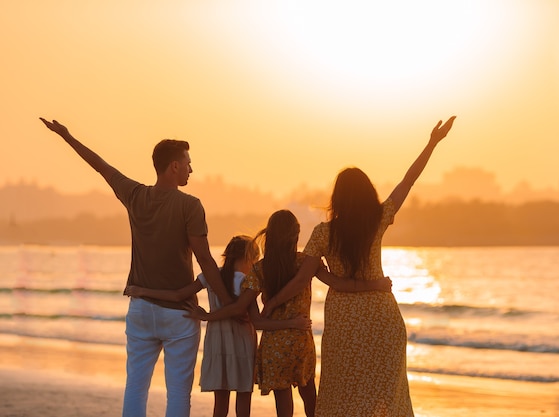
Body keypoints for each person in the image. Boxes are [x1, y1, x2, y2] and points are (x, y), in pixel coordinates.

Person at [263, 116, 456, 417]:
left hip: (344, 324)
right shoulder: (377, 221)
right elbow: (408, 181)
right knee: (384, 400)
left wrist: (272, 302)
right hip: (383, 319)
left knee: (343, 397)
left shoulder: (324, 233)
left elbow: (302, 279)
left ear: (337, 197)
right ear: (368, 193)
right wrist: (432, 143)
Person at [39, 118, 233, 417]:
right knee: (179, 393)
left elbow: (101, 166)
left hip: (141, 309)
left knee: (135, 387)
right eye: (188, 163)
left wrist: (67, 136)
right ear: (174, 167)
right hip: (179, 314)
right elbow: (205, 261)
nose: (191, 169)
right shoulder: (190, 205)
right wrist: (229, 305)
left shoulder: (135, 195)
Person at [185, 210, 391, 417]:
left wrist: (207, 316)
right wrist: (376, 284)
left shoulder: (259, 270)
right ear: (296, 236)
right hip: (301, 343)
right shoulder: (306, 263)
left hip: (274, 348)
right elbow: (339, 284)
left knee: (284, 406)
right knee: (310, 397)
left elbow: (252, 318)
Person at [126, 234, 311, 417]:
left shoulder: (211, 276)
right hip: (242, 343)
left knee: (220, 405)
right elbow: (248, 315)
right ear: (249, 258)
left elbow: (178, 295)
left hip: (217, 342)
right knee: (243, 402)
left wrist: (142, 291)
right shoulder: (247, 281)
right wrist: (291, 321)